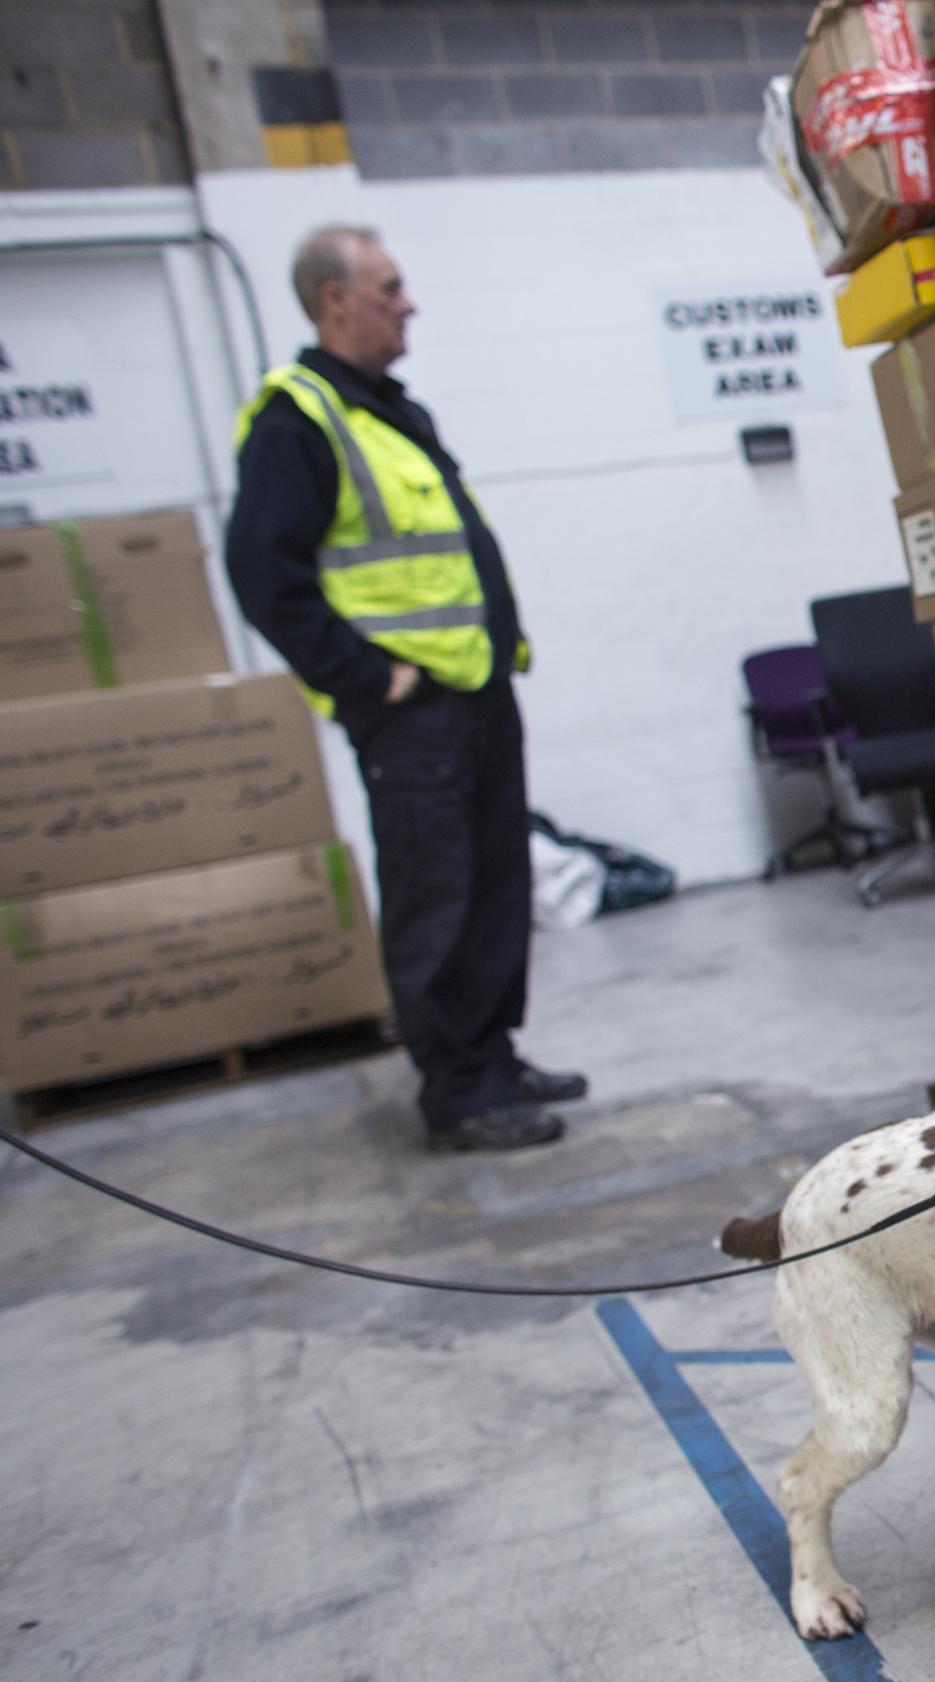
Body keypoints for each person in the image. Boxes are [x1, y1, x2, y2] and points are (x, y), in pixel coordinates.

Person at [225, 225, 585, 1152]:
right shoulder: (298, 417)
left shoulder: (386, 406)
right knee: (439, 895)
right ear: (333, 299)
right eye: (389, 287)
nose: (407, 302)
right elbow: (263, 571)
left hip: (474, 691)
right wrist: (364, 678)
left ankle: (494, 1055)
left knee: (498, 881)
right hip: (412, 709)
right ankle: (458, 1092)